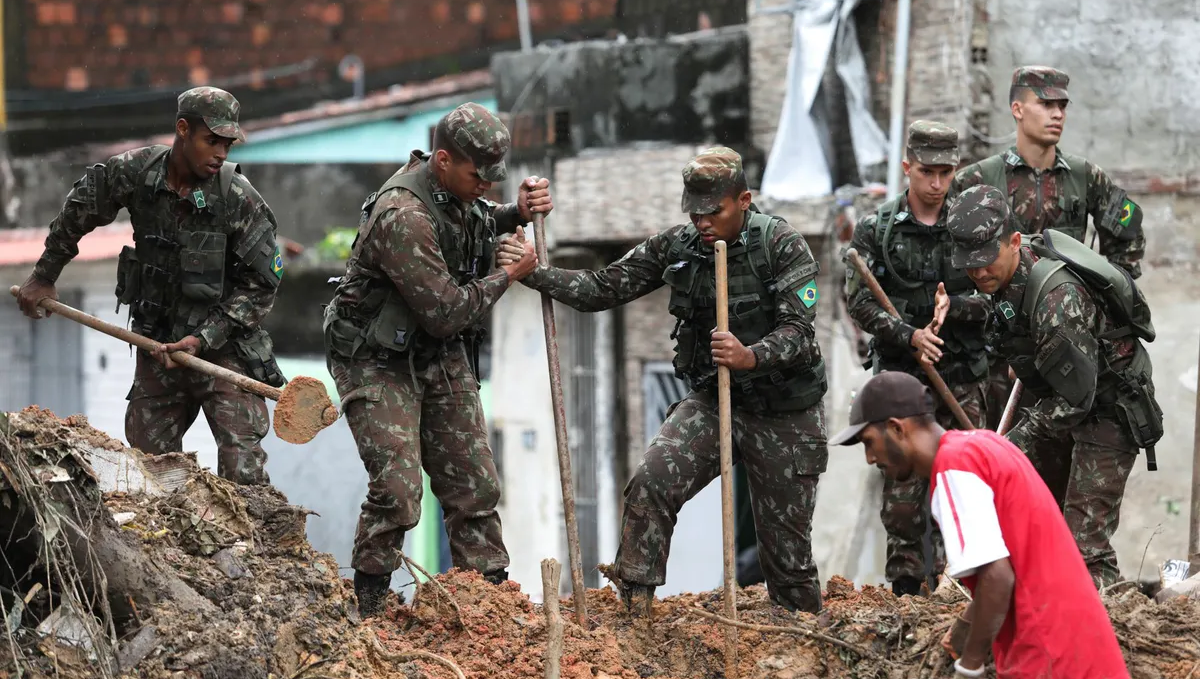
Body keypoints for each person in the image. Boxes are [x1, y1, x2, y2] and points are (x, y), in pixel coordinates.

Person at [498, 147, 829, 613]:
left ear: (744, 200)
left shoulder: (782, 245)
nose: (702, 222)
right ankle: (634, 609)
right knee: (651, 482)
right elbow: (602, 288)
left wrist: (749, 355)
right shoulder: (677, 247)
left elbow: (799, 331)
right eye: (694, 212)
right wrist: (537, 275)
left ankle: (802, 644)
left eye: (714, 211)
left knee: (788, 558)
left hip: (784, 412)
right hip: (715, 401)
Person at [322, 102, 551, 616]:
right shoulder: (402, 215)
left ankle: (489, 605)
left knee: (475, 485)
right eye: (479, 175)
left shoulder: (455, 190)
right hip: (376, 358)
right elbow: (447, 311)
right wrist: (508, 277)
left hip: (435, 351)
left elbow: (471, 219)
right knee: (398, 491)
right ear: (443, 160)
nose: (486, 186)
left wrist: (515, 213)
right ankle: (371, 605)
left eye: (495, 177)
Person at [16, 87, 284, 485]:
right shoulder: (135, 172)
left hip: (224, 354)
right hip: (157, 346)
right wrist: (44, 275)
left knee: (243, 473)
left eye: (227, 145)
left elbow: (264, 284)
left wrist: (205, 338)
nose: (220, 155)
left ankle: (252, 546)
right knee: (146, 473)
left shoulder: (237, 198)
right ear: (182, 129)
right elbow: (79, 210)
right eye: (211, 141)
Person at [832, 371, 1130, 679]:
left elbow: (998, 577)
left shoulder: (953, 468)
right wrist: (963, 631)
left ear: (898, 428)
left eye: (869, 441)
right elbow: (1017, 562)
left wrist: (969, 670)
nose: (870, 458)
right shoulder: (984, 445)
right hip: (1080, 657)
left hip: (1048, 666)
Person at [940, 185, 1163, 587]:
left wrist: (1008, 448)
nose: (978, 273)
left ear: (1012, 241)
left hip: (1109, 411)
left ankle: (1110, 626)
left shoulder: (1057, 299)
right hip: (1067, 401)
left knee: (1083, 549)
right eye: (969, 265)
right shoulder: (1005, 274)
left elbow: (1074, 400)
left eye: (986, 261)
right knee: (1028, 520)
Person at [952, 66, 1147, 429]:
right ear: (1017, 109)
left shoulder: (1085, 176)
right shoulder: (976, 180)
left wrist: (1101, 299)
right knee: (1005, 457)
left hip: (1066, 344)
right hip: (999, 356)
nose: (1058, 114)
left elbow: (1129, 233)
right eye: (1045, 104)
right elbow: (957, 271)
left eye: (1062, 105)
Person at [843, 121, 990, 597]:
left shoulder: (972, 227)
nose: (937, 183)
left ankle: (960, 589)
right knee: (903, 502)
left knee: (964, 488)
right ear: (907, 168)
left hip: (962, 379)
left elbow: (998, 293)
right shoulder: (877, 230)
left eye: (947, 172)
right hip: (902, 389)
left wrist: (955, 310)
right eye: (927, 171)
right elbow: (860, 302)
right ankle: (907, 595)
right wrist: (909, 335)